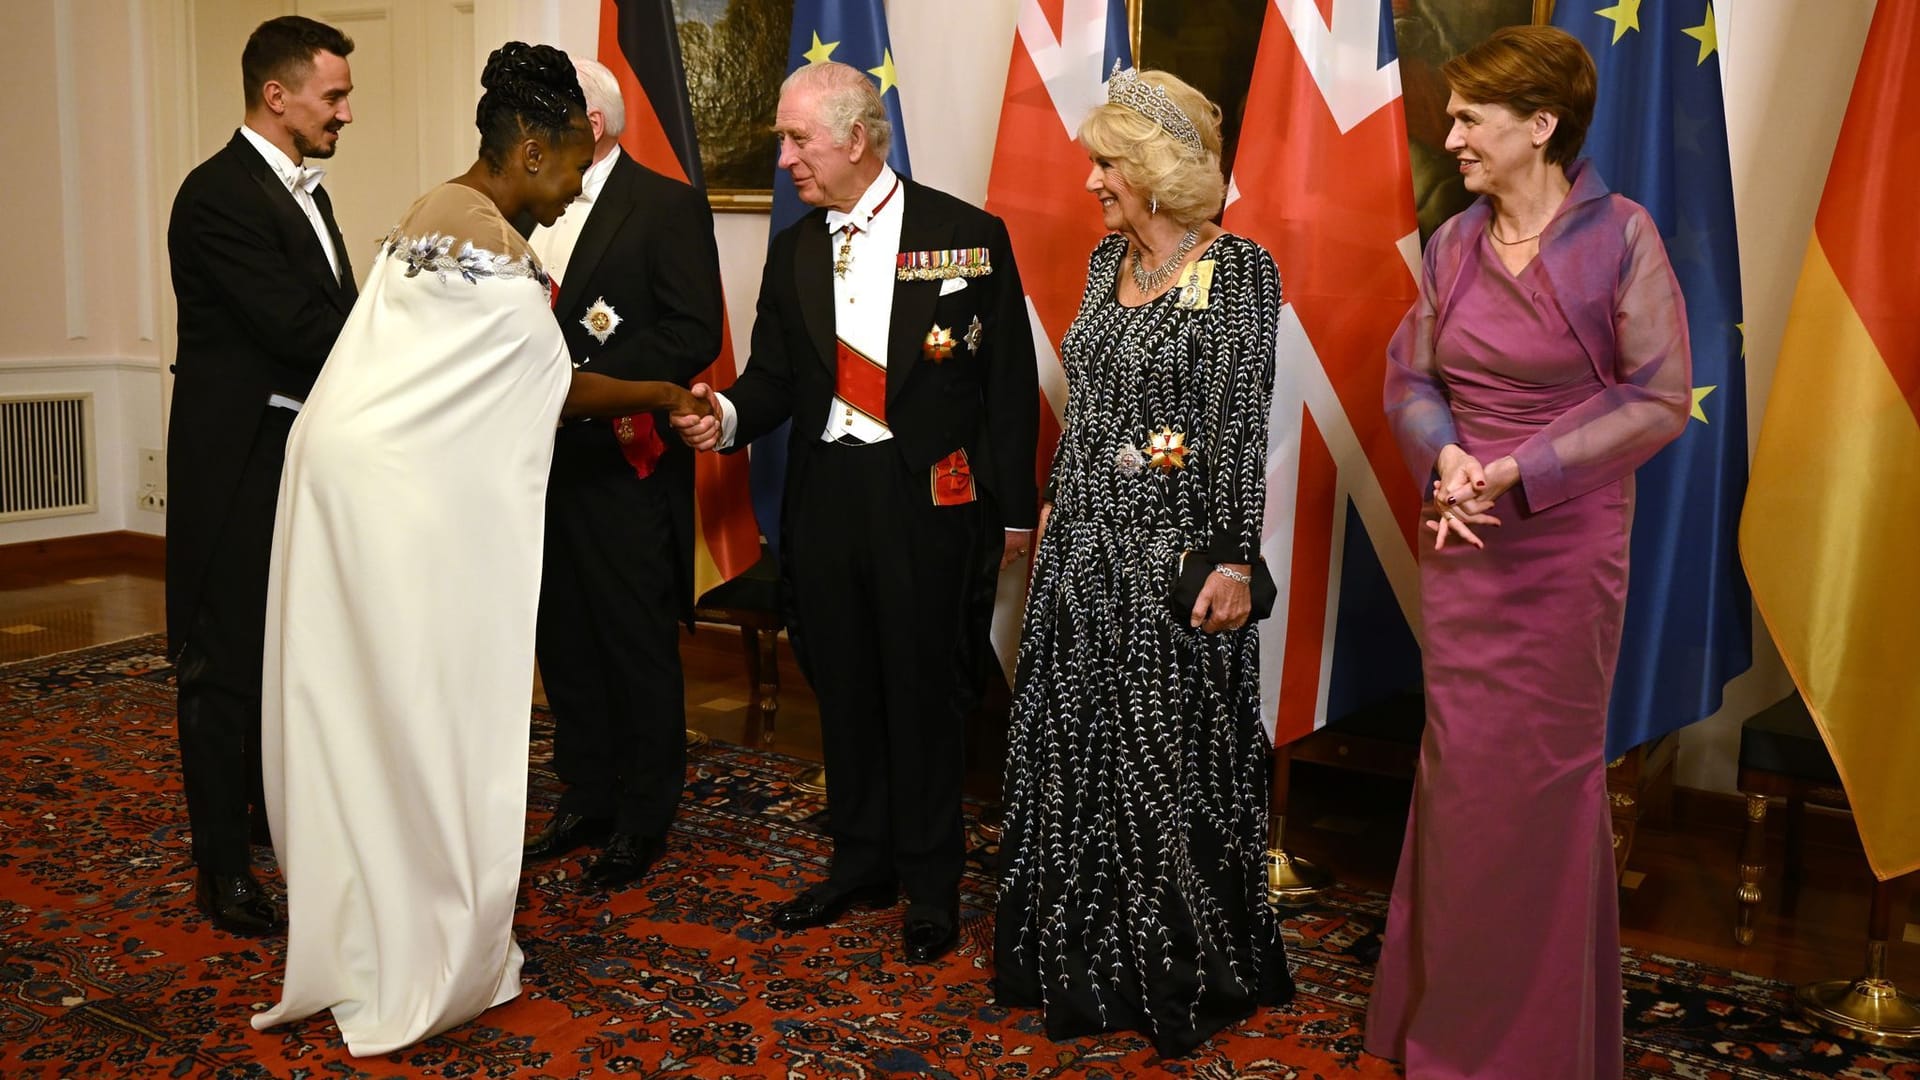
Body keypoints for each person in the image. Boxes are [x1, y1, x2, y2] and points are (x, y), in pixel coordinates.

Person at [251, 42, 711, 1056]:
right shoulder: (494, 245)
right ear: (534, 147)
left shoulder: (433, 207)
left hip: (344, 480)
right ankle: (424, 938)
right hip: (393, 504)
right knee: (425, 713)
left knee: (366, 709)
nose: (572, 194)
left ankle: (373, 915)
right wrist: (665, 393)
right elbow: (556, 385)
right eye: (570, 173)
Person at [1363, 26, 1691, 1079]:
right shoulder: (1456, 242)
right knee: (1460, 781)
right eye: (1450, 114)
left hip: (1563, 551)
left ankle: (1534, 1049)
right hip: (1463, 538)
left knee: (1537, 792)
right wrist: (1450, 457)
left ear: (1540, 127)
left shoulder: (1623, 236)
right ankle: (1441, 1030)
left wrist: (1518, 470)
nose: (1448, 133)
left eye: (1470, 117)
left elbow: (1657, 400)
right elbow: (1409, 380)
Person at [673, 61, 1038, 966]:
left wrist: (1015, 512)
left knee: (923, 691)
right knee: (841, 682)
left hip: (925, 497)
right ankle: (860, 861)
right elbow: (770, 381)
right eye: (783, 138)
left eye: (798, 139)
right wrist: (718, 416)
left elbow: (1007, 388)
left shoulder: (965, 234)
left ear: (856, 139)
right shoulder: (795, 247)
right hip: (827, 496)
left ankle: (930, 882)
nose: (785, 156)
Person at [989, 67, 1293, 1058]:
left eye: (1107, 164)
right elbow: (1091, 412)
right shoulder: (1098, 262)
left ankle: (1170, 966)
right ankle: (1071, 957)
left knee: (1163, 766)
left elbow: (1232, 430)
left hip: (1173, 563)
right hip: (1081, 551)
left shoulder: (1239, 269)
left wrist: (1237, 561)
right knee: (1066, 752)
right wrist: (1056, 504)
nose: (1090, 183)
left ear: (1158, 169)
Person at [164, 14, 356, 937]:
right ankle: (222, 873)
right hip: (238, 468)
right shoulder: (218, 196)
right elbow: (301, 331)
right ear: (276, 97)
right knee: (224, 669)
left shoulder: (308, 194)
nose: (345, 114)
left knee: (287, 658)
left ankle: (271, 819)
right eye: (334, 95)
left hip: (297, 463)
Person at [522, 57, 724, 890]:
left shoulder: (665, 205)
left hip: (622, 459)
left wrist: (580, 386)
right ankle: (586, 791)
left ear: (591, 124)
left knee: (633, 641)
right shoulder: (524, 202)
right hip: (534, 459)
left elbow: (693, 329)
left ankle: (644, 812)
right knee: (561, 634)